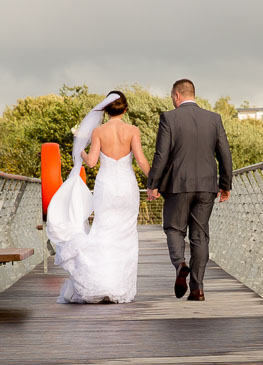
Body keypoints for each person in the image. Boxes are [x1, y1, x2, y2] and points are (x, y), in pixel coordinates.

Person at [46, 91, 150, 304]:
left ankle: (99, 282)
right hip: (127, 187)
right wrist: (155, 182)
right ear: (125, 109)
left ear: (105, 109)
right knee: (126, 234)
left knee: (103, 231)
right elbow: (140, 160)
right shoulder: (133, 130)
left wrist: (80, 147)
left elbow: (91, 162)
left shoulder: (98, 131)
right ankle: (120, 287)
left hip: (106, 187)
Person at [146, 78, 233, 301]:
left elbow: (161, 155)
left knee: (174, 229)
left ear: (177, 96)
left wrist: (153, 185)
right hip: (206, 186)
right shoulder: (214, 119)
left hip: (178, 185)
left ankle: (179, 264)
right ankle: (197, 289)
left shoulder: (169, 118)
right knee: (200, 236)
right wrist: (225, 185)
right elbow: (224, 154)